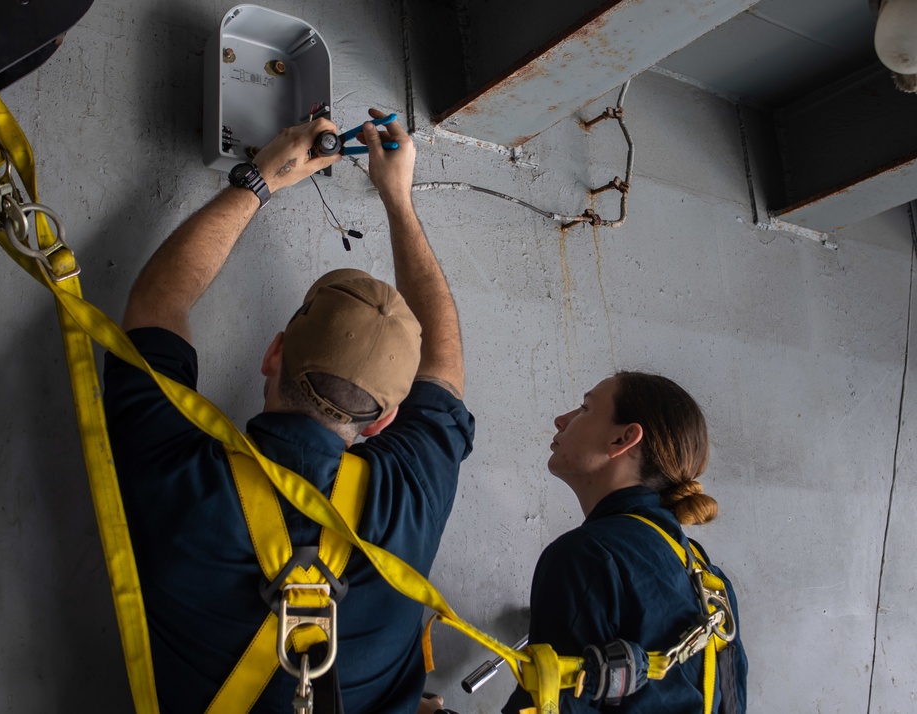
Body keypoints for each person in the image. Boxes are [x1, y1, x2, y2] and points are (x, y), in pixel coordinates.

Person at [102, 109, 473, 713]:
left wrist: (261, 180)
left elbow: (158, 300)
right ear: (385, 420)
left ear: (272, 352)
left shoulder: (180, 472)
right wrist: (400, 202)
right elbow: (445, 368)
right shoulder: (414, 493)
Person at [503, 372, 748, 713]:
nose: (561, 420)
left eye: (585, 408)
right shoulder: (710, 580)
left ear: (623, 439)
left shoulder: (586, 555)